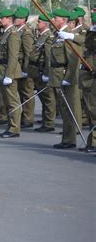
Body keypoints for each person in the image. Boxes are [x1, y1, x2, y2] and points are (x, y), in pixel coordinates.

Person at [51, 8, 84, 149]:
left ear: (63, 20)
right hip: (58, 75)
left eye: (56, 18)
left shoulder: (68, 34)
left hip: (66, 76)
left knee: (69, 108)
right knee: (64, 109)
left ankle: (70, 140)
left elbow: (73, 59)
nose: (53, 20)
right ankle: (66, 138)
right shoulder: (59, 34)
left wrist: (68, 77)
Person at [0, 9, 22, 138]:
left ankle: (15, 128)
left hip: (8, 71)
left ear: (9, 19)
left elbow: (13, 56)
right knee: (6, 101)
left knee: (12, 102)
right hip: (2, 70)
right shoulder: (5, 33)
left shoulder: (13, 34)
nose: (1, 20)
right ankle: (10, 126)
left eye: (3, 18)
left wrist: (9, 75)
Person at [31, 14, 56, 132]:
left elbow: (48, 57)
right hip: (37, 70)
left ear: (45, 24)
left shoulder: (48, 36)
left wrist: (47, 73)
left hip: (43, 70)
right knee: (43, 97)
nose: (37, 23)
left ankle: (49, 123)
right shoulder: (41, 35)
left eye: (39, 21)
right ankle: (45, 121)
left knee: (48, 98)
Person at [14, 7, 35, 128]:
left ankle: (28, 118)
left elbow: (28, 53)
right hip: (19, 66)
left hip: (24, 67)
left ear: (23, 19)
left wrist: (26, 70)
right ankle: (24, 117)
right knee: (21, 93)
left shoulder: (26, 32)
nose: (15, 20)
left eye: (17, 18)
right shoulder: (18, 30)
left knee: (27, 93)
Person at [78, 12, 95, 153]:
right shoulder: (91, 37)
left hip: (93, 79)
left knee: (93, 111)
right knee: (90, 111)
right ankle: (92, 143)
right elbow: (88, 45)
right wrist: (92, 31)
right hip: (88, 78)